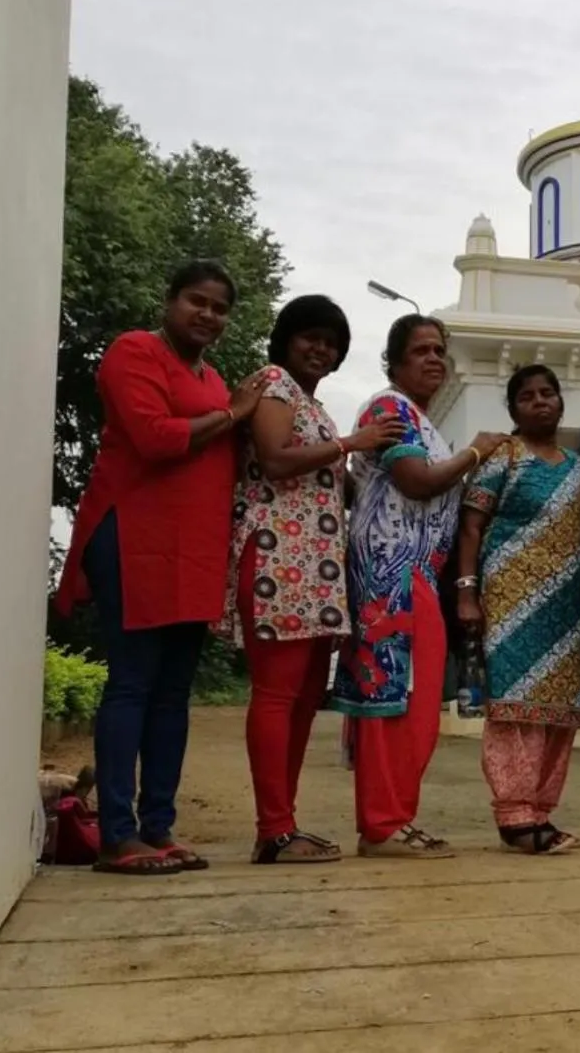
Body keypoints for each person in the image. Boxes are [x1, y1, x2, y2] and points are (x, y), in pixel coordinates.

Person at [56, 261, 270, 875]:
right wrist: (234, 413)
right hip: (133, 533)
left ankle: (159, 828)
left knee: (174, 692)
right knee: (133, 682)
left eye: (219, 308)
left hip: (194, 545)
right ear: (168, 300)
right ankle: (117, 836)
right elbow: (154, 437)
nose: (207, 315)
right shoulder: (135, 352)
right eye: (196, 302)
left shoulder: (213, 376)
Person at [221, 295, 404, 864]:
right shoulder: (273, 383)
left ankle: (283, 825)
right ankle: (273, 829)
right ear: (286, 338)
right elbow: (275, 458)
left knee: (303, 699)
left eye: (332, 343)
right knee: (277, 695)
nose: (321, 349)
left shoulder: (311, 404)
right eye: (311, 337)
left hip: (313, 562)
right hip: (278, 553)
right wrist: (353, 445)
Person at [330, 315, 507, 858]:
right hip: (388, 570)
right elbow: (416, 480)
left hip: (415, 574)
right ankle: (382, 825)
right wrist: (475, 453)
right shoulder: (387, 409)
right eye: (421, 351)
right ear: (395, 362)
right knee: (391, 701)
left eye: (439, 351)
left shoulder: (422, 423)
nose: (434, 359)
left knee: (416, 703)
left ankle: (393, 818)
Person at [455, 365, 580, 854]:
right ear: (513, 409)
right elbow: (471, 528)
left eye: (548, 393)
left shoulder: (579, 466)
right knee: (515, 709)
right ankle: (515, 816)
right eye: (527, 397)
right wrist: (467, 592)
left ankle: (541, 813)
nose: (540, 402)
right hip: (510, 602)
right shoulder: (502, 458)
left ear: (560, 401)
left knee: (557, 714)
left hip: (567, 610)